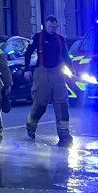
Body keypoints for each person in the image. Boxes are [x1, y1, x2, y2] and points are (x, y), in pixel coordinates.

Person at [24, 16, 74, 147]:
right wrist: (26, 69)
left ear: (57, 26)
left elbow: (66, 56)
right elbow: (28, 53)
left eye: (54, 27)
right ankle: (31, 126)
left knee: (62, 103)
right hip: (42, 72)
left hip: (57, 73)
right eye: (50, 27)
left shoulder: (60, 39)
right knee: (40, 103)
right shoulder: (38, 37)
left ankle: (64, 133)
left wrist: (71, 72)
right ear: (45, 26)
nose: (52, 29)